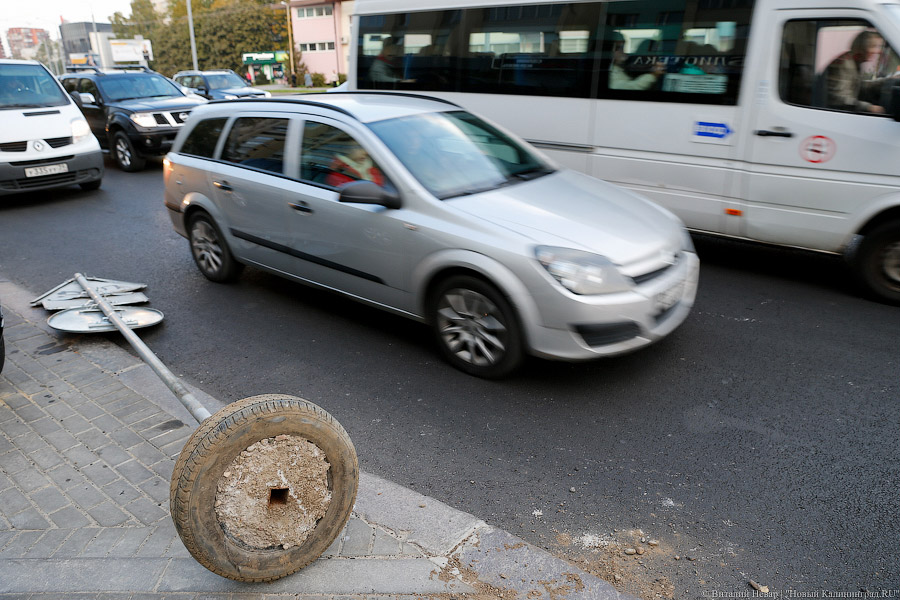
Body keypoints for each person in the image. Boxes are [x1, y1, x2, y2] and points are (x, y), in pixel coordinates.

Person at [825, 30, 888, 114]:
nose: (878, 51)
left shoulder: (856, 62)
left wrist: (886, 81)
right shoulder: (845, 64)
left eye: (879, 47)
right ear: (861, 48)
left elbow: (860, 86)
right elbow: (839, 99)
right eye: (873, 46)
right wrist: (869, 107)